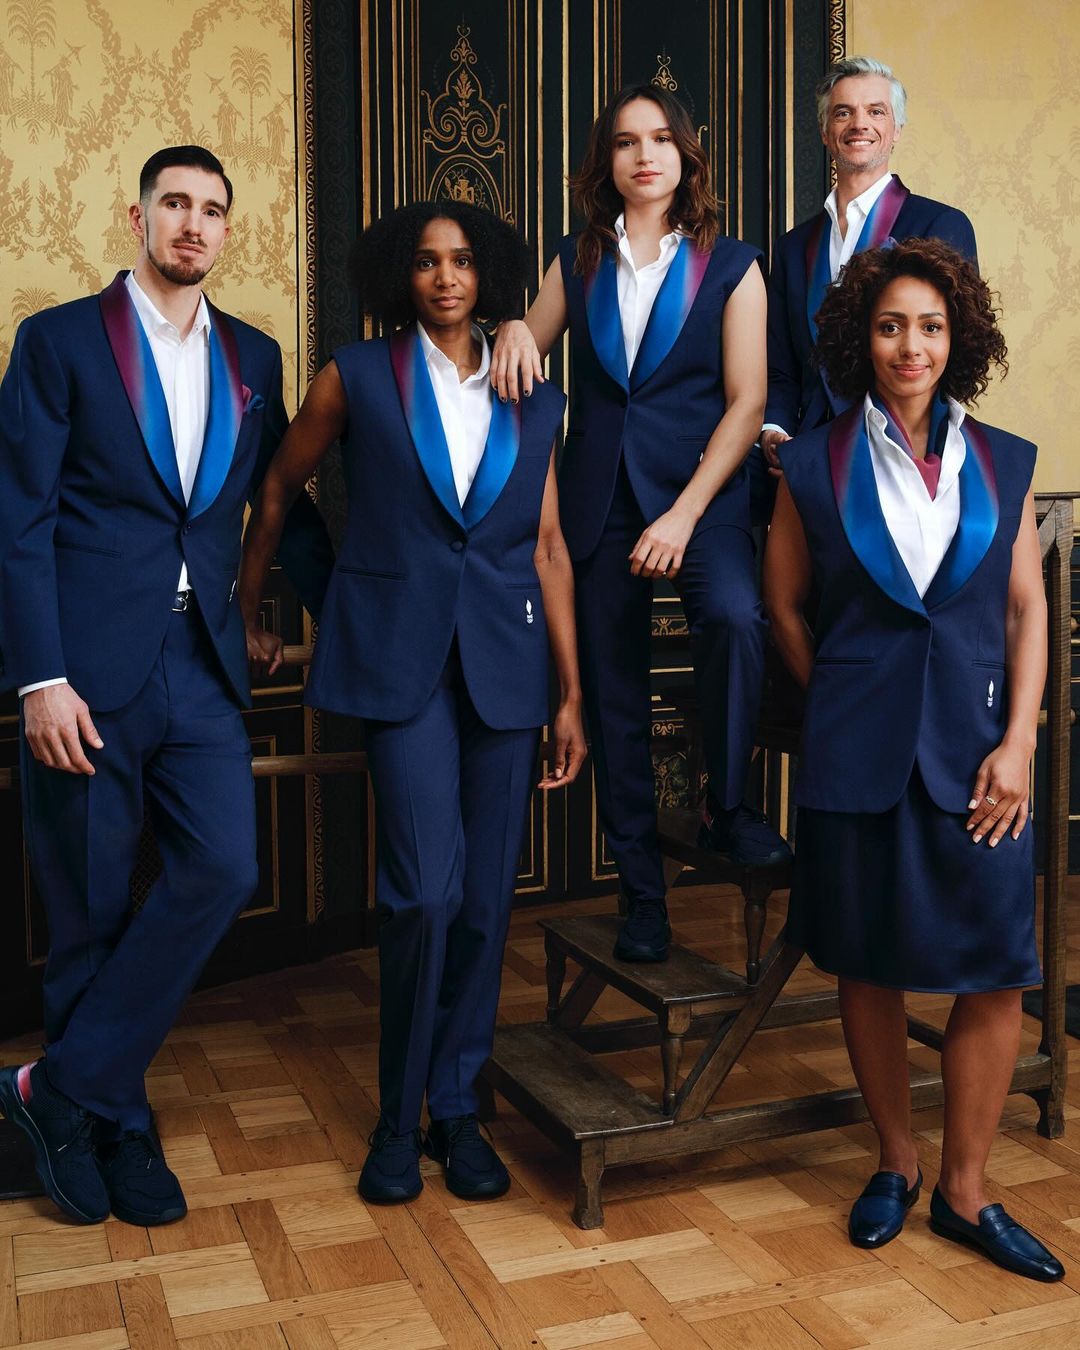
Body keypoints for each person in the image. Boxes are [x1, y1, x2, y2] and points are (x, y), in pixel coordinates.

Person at [0, 146, 333, 1226]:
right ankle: (117, 1127)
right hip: (86, 675)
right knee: (89, 909)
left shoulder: (255, 356)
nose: (194, 224)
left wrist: (351, 610)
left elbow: (278, 508)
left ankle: (55, 1090)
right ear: (137, 215)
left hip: (202, 668)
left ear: (229, 231)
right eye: (175, 205)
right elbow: (20, 518)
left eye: (213, 210)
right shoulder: (56, 343)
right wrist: (40, 678)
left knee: (223, 867)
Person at [238, 201, 585, 1205]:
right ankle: (397, 1120)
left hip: (509, 667)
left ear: (490, 274)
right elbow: (275, 491)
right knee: (423, 893)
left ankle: (458, 1107)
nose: (446, 277)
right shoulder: (354, 376)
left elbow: (548, 546)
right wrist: (260, 610)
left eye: (465, 261)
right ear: (402, 273)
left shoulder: (531, 388)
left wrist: (571, 692)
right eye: (428, 262)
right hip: (401, 666)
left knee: (482, 902)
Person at [764, 237, 1062, 1282]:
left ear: (958, 338)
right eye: (891, 324)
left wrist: (1019, 740)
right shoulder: (811, 461)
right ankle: (894, 1161)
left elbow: (1027, 611)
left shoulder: (1004, 461)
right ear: (862, 336)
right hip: (860, 759)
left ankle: (966, 1192)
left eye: (931, 326)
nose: (911, 344)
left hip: (984, 759)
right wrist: (848, 700)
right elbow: (782, 608)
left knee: (996, 974)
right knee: (866, 961)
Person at [490, 84, 790, 965]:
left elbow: (749, 403)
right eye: (625, 143)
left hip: (703, 502)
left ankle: (724, 803)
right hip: (597, 503)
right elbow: (524, 351)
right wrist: (511, 325)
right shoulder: (573, 259)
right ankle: (640, 894)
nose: (644, 155)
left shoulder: (733, 264)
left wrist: (685, 515)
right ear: (608, 164)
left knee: (735, 620)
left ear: (685, 156)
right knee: (611, 698)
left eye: (661, 139)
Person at [757, 56, 978, 515]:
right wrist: (774, 428)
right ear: (824, 131)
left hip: (907, 454)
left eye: (876, 111)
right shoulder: (794, 246)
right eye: (843, 112)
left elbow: (957, 352)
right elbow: (780, 364)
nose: (860, 123)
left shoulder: (941, 224)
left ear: (896, 129)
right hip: (812, 460)